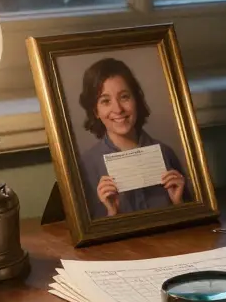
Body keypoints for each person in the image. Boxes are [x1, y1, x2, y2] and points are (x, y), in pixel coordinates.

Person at [76, 57, 188, 219]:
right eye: (105, 101)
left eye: (124, 97)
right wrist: (111, 213)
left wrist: (179, 203)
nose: (118, 109)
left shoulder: (165, 153)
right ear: (96, 111)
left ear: (136, 100)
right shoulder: (86, 166)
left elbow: (191, 223)